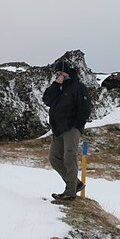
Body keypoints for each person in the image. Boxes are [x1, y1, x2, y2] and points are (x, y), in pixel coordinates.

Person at [42, 59, 92, 201]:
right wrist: (56, 85)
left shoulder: (78, 87)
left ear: (67, 72)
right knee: (54, 158)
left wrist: (76, 125)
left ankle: (70, 192)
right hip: (58, 129)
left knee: (69, 158)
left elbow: (85, 108)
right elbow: (47, 100)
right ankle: (75, 184)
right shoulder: (57, 87)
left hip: (71, 128)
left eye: (61, 72)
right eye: (57, 73)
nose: (59, 75)